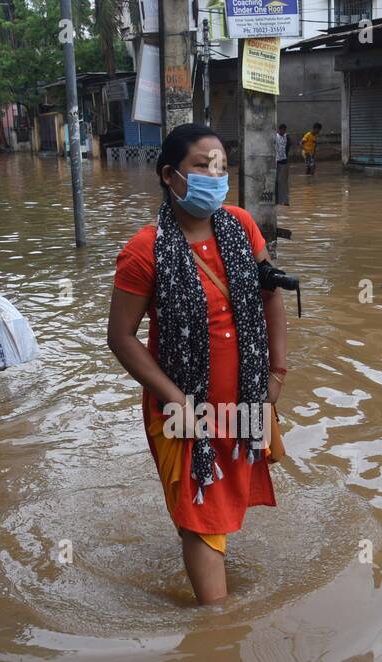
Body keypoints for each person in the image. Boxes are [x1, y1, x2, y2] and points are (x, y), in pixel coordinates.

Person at [108, 124, 289, 605]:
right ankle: (217, 626)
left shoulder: (242, 226)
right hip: (183, 407)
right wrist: (175, 399)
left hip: (244, 397)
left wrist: (276, 372)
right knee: (200, 511)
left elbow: (270, 297)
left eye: (222, 168)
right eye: (202, 166)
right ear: (170, 175)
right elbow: (121, 337)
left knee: (221, 495)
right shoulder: (143, 251)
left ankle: (214, 594)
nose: (215, 176)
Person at [274, 123, 290, 206]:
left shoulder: (286, 137)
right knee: (277, 181)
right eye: (282, 130)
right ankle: (277, 200)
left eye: (284, 130)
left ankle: (284, 201)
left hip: (284, 160)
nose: (283, 132)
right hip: (277, 161)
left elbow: (288, 146)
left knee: (283, 182)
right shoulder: (276, 137)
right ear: (279, 130)